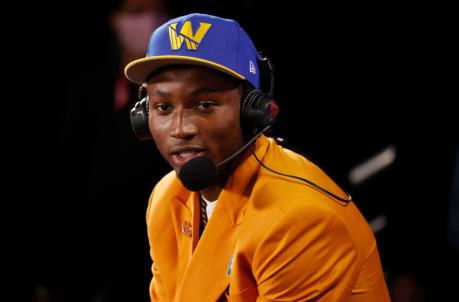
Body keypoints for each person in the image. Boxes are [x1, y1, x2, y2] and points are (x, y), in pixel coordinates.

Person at [124, 13, 391, 301]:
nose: (180, 129)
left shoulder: (298, 220)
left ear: (252, 112)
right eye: (163, 107)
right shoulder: (168, 199)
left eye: (205, 104)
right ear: (142, 116)